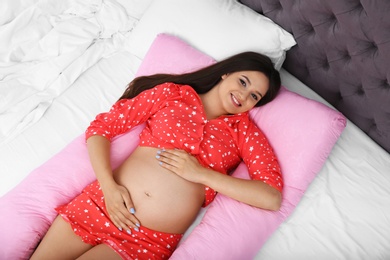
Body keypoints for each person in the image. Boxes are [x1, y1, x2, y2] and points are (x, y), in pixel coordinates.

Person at [31, 51, 283, 260]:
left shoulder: (245, 134)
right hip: (101, 204)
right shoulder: (172, 94)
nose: (243, 95)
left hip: (145, 240)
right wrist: (109, 188)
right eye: (243, 82)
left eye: (254, 96)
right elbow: (101, 129)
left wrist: (201, 174)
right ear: (226, 72)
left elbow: (271, 197)